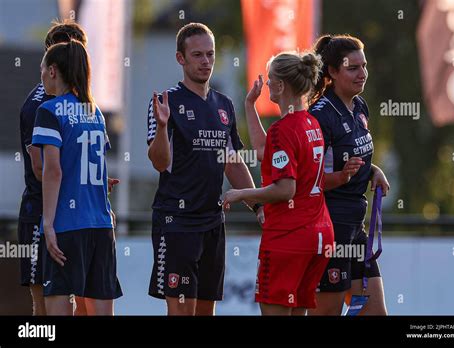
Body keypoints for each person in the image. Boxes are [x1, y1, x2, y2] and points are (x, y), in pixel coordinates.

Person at [223, 51, 363, 315]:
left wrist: (242, 193)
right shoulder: (311, 122)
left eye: (270, 79)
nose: (266, 85)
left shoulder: (283, 129)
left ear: (280, 85)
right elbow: (266, 150)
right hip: (319, 236)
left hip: (289, 237)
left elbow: (286, 189)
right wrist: (249, 106)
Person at [146, 22, 261, 316]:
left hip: (213, 222)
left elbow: (232, 162)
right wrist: (161, 126)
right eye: (197, 55)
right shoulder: (165, 103)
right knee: (183, 310)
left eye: (210, 54)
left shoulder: (223, 104)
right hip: (177, 221)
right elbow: (159, 162)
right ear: (180, 58)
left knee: (205, 311)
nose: (206, 61)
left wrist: (258, 205)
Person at [17, 19, 106, 316]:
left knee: (81, 302)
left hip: (77, 216)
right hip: (43, 212)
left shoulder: (86, 106)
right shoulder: (41, 107)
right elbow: (45, 171)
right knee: (45, 303)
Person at [31, 39, 122, 315]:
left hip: (67, 225)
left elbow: (53, 170)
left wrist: (48, 225)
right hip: (101, 224)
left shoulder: (48, 111)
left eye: (43, 70)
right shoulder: (94, 112)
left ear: (54, 71)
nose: (42, 76)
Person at [305, 34, 390, 316]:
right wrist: (342, 178)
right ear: (332, 72)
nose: (362, 74)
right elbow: (306, 180)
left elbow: (353, 157)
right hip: (330, 227)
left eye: (364, 66)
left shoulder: (360, 106)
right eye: (353, 68)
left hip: (356, 226)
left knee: (374, 313)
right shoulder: (319, 115)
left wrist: (372, 170)